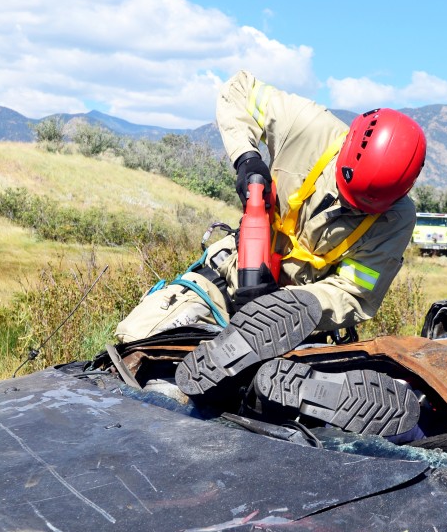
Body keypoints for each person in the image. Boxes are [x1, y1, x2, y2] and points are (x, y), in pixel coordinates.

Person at [171, 69, 428, 438]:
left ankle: (277, 387)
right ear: (346, 148)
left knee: (260, 392)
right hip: (234, 270)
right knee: (150, 333)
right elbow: (238, 89)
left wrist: (293, 304)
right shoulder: (308, 126)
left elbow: (355, 291)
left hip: (297, 315)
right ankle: (241, 383)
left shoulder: (397, 217)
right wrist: (247, 159)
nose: (353, 210)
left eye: (366, 208)